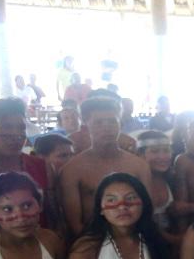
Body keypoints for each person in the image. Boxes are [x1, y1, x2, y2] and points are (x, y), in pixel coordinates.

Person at [58, 95, 153, 236]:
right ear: (85, 125)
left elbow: (147, 212)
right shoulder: (72, 170)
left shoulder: (139, 166)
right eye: (99, 122)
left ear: (120, 123)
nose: (107, 127)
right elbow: (74, 224)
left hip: (135, 237)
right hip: (91, 240)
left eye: (112, 122)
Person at [0, 98, 54, 228]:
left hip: (39, 242)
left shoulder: (41, 166)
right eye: (6, 127)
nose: (15, 134)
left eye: (21, 128)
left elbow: (52, 213)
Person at [134, 130, 179, 248]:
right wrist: (174, 239)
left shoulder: (171, 179)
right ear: (140, 155)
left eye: (166, 151)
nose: (162, 157)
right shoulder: (134, 183)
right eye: (154, 151)